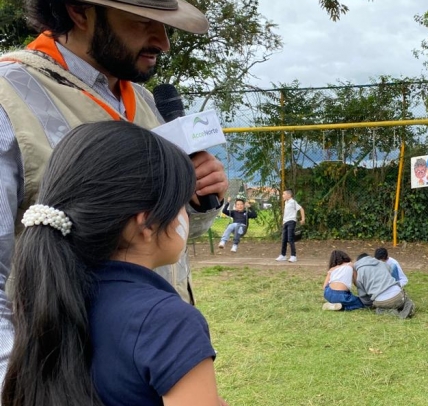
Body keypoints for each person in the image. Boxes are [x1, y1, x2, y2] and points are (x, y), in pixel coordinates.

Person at [0, 0, 228, 385]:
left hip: (157, 363)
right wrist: (21, 386)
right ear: (78, 11)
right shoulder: (9, 96)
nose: (164, 42)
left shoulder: (146, 103)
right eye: (144, 23)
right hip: (66, 378)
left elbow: (154, 235)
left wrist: (196, 200)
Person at [2, 121, 225, 406]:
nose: (186, 214)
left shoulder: (52, 298)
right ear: (147, 223)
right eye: (181, 203)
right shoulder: (170, 322)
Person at [354, 253, 415, 319]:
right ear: (370, 258)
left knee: (379, 310)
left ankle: (390, 312)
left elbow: (363, 295)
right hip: (398, 296)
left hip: (382, 302)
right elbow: (391, 272)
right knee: (405, 299)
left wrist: (368, 304)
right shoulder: (381, 263)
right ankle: (407, 305)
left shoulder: (359, 273)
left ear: (358, 262)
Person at [275, 189, 305, 263]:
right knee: (284, 239)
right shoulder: (286, 202)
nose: (283, 195)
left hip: (291, 221)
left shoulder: (293, 202)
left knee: (290, 238)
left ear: (289, 195)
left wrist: (303, 219)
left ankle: (293, 256)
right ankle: (283, 255)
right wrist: (283, 221)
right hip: (286, 222)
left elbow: (301, 209)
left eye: (284, 194)